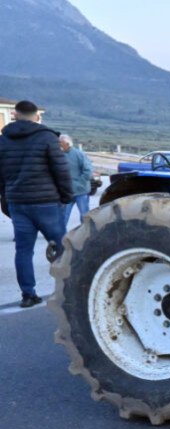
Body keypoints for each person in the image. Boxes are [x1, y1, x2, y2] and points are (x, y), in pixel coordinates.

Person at [0, 100, 72, 308]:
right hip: (47, 202)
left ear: (14, 115)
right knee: (63, 249)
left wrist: (6, 199)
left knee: (23, 251)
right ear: (37, 116)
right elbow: (61, 170)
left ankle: (28, 294)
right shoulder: (47, 138)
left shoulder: (3, 140)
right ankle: (69, 290)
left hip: (18, 203)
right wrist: (66, 197)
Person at [59, 134, 93, 226]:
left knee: (84, 216)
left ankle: (86, 233)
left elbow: (88, 171)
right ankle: (62, 234)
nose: (58, 145)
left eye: (60, 143)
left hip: (81, 192)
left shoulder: (79, 154)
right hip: (66, 192)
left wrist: (78, 184)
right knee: (63, 216)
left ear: (67, 144)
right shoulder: (58, 155)